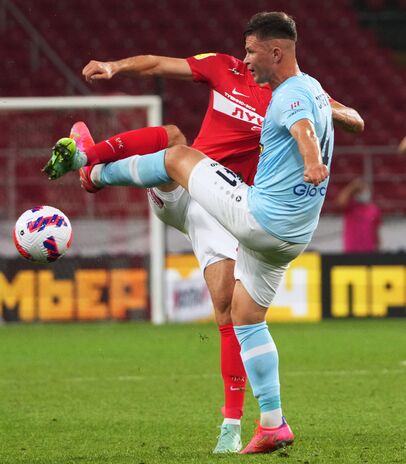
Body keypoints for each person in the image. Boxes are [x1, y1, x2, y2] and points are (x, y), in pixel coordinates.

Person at [44, 13, 363, 454]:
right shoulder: (234, 70)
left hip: (229, 210)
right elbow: (159, 64)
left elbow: (323, 124)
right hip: (208, 201)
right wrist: (115, 66)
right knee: (175, 143)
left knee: (232, 312)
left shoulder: (294, 93)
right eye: (245, 51)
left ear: (275, 52)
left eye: (251, 51)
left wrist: (324, 119)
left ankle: (238, 426)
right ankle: (90, 163)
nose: (245, 58)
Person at [336, 177, 381, 252]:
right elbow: (340, 202)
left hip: (369, 250)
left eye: (365, 190)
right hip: (351, 249)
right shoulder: (351, 206)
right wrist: (352, 187)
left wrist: (378, 246)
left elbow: (376, 230)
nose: (364, 193)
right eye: (360, 191)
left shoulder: (374, 209)